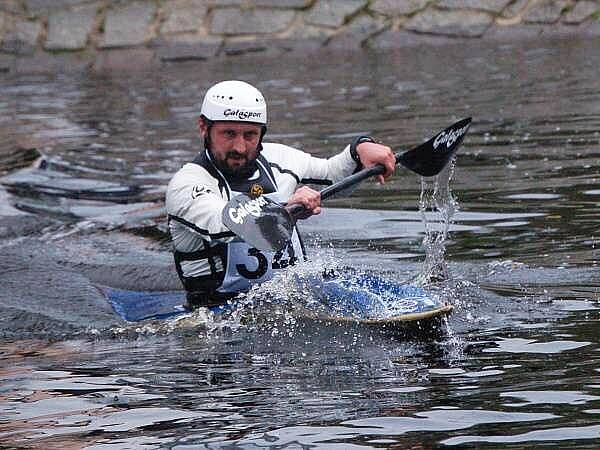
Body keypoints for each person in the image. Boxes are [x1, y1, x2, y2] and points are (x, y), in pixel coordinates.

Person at [166, 80, 395, 309]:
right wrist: (285, 212)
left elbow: (333, 173)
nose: (240, 147)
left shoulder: (280, 159)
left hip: (293, 298)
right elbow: (223, 225)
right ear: (204, 127)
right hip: (222, 315)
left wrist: (360, 148)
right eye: (228, 133)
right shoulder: (187, 185)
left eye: (250, 135)